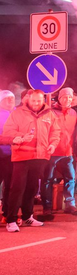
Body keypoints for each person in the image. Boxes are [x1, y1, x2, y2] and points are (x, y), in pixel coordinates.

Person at [1, 89, 60, 232]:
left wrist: (53, 145)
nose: (36, 103)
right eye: (33, 100)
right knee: (17, 188)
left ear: (43, 100)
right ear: (28, 99)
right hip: (21, 156)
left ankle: (28, 216)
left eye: (39, 100)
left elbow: (55, 132)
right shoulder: (17, 113)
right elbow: (8, 132)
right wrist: (19, 137)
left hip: (40, 157)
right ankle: (11, 219)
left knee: (32, 188)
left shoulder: (49, 114)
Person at [42, 88, 77, 217]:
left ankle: (70, 204)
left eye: (70, 98)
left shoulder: (73, 113)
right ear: (59, 98)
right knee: (48, 179)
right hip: (52, 151)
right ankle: (47, 207)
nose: (68, 100)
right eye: (65, 97)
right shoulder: (51, 111)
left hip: (67, 151)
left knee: (70, 178)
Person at [0, 89, 16, 222]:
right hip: (1, 154)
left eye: (12, 98)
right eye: (6, 98)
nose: (10, 100)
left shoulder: (18, 114)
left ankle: (6, 213)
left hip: (14, 156)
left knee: (10, 186)